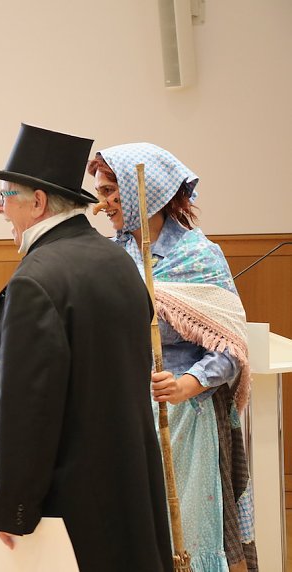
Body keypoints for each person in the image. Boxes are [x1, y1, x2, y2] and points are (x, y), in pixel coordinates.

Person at [0, 124, 173, 571]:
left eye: (5, 196)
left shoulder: (35, 281)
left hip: (69, 504)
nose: (0, 209)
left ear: (38, 202)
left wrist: (13, 507)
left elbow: (30, 408)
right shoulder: (117, 261)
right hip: (126, 486)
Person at [88, 143, 257, 571]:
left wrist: (187, 383)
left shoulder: (198, 255)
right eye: (100, 193)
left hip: (186, 419)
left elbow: (231, 347)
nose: (102, 204)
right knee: (133, 531)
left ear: (143, 191)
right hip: (124, 416)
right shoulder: (111, 255)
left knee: (186, 533)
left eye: (110, 192)